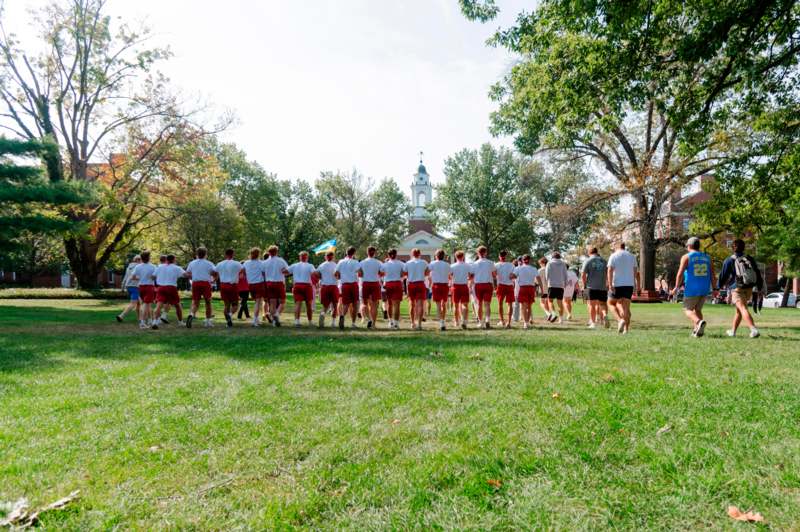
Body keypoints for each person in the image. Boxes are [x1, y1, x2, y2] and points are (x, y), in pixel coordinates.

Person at [671, 237, 717, 337]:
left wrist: (676, 287)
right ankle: (697, 331)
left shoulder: (686, 257)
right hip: (704, 288)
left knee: (687, 309)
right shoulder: (707, 257)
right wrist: (715, 289)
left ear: (690, 246)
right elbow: (713, 275)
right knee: (698, 310)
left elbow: (680, 274)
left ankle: (699, 322)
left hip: (692, 288)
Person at [718, 239, 762, 338]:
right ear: (744, 248)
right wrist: (759, 287)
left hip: (737, 288)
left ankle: (753, 329)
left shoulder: (729, 260)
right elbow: (757, 273)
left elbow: (723, 275)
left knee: (743, 308)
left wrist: (718, 287)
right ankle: (733, 331)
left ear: (733, 248)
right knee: (739, 310)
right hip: (749, 287)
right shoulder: (750, 258)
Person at [607, 241, 640, 334]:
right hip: (629, 284)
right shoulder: (632, 256)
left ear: (616, 246)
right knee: (626, 308)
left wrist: (609, 284)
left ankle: (619, 320)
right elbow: (635, 271)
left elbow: (610, 270)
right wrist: (634, 284)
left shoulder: (614, 256)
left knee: (610, 303)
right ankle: (626, 330)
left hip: (617, 284)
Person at [151, 254, 185, 329]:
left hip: (161, 287)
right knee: (177, 305)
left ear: (166, 259)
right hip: (171, 287)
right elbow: (185, 275)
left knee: (159, 305)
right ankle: (180, 322)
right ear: (173, 260)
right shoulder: (177, 268)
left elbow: (153, 277)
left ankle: (154, 322)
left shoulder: (159, 267)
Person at [185, 247, 216, 328]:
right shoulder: (209, 263)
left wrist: (193, 278)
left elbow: (187, 274)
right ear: (206, 254)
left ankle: (191, 314)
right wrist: (214, 280)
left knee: (195, 302)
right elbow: (214, 273)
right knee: (208, 302)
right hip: (205, 283)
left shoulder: (192, 263)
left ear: (197, 254)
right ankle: (208, 321)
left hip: (195, 283)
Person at [581, 246, 610, 329]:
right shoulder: (604, 261)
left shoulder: (588, 260)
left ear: (589, 253)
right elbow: (608, 273)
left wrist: (584, 285)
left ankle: (593, 323)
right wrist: (607, 283)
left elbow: (583, 274)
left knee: (591, 305)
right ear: (597, 252)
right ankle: (604, 315)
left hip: (591, 286)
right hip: (602, 287)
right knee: (603, 304)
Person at [216, 248, 243, 328]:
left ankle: (228, 322)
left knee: (226, 305)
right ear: (233, 254)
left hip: (223, 285)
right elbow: (243, 271)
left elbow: (214, 272)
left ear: (225, 254)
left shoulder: (220, 264)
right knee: (235, 305)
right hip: (233, 285)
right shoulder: (237, 264)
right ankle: (230, 315)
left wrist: (215, 278)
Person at [263, 245, 290, 327]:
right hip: (279, 283)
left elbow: (262, 273)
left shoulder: (264, 262)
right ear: (277, 252)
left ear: (269, 252)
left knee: (272, 303)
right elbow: (287, 271)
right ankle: (277, 314)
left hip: (269, 283)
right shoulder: (281, 261)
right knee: (282, 302)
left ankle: (274, 322)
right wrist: (283, 272)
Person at [335, 246, 361, 329]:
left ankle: (342, 316)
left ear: (346, 252)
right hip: (353, 284)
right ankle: (353, 323)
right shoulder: (355, 262)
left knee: (345, 304)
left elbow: (335, 273)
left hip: (344, 284)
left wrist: (339, 277)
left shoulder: (341, 262)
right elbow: (360, 273)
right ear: (354, 253)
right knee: (355, 304)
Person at [288, 251, 315, 327]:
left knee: (298, 304)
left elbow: (285, 271)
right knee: (308, 305)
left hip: (297, 285)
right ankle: (310, 321)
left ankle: (297, 321)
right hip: (307, 285)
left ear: (300, 257)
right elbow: (314, 274)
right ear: (307, 257)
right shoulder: (310, 265)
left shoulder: (294, 265)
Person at [511, 254, 539, 329]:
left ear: (522, 260)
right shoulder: (534, 268)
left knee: (523, 307)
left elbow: (512, 276)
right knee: (529, 306)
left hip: (523, 288)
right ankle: (527, 322)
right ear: (529, 260)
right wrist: (542, 289)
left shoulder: (518, 268)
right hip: (531, 288)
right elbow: (538, 279)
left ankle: (525, 323)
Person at [404, 248, 429, 330]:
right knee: (420, 305)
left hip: (411, 284)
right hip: (420, 283)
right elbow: (427, 273)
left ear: (412, 254)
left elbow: (405, 274)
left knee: (412, 304)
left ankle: (412, 323)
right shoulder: (424, 262)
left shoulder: (408, 263)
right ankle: (419, 324)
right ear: (420, 254)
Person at [130, 251, 157, 329]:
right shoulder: (153, 266)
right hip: (149, 287)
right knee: (145, 304)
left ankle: (149, 320)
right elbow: (154, 277)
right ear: (148, 258)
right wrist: (150, 277)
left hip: (141, 287)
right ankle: (142, 322)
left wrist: (141, 278)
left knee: (147, 304)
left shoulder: (138, 266)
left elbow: (132, 277)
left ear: (141, 258)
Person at [359, 246, 383, 329]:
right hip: (375, 283)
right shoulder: (379, 262)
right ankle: (373, 324)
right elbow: (381, 273)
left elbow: (359, 274)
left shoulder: (362, 262)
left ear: (367, 252)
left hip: (365, 283)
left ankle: (368, 319)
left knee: (364, 303)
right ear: (374, 253)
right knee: (374, 305)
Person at [380, 249, 405, 329]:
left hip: (388, 284)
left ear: (388, 255)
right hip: (397, 283)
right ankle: (396, 323)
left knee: (389, 304)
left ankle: (390, 322)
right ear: (396, 254)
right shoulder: (401, 264)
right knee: (397, 305)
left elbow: (380, 274)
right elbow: (403, 274)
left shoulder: (384, 264)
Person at [472, 245, 496, 329]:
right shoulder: (490, 262)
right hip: (488, 284)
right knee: (487, 304)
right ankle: (487, 320)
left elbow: (471, 275)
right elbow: (494, 274)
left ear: (478, 253)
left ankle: (480, 322)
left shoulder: (474, 263)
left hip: (478, 284)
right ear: (485, 253)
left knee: (479, 304)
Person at [428, 249, 451, 331]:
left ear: (436, 256)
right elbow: (450, 275)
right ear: (443, 256)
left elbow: (427, 272)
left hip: (436, 285)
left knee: (438, 305)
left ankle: (441, 322)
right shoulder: (447, 264)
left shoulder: (432, 263)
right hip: (444, 285)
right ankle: (443, 321)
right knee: (443, 304)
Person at [316, 251, 340, 328]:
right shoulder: (336, 265)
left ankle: (322, 314)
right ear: (332, 257)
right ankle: (333, 323)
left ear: (325, 257)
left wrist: (323, 277)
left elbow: (317, 275)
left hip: (324, 286)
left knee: (325, 306)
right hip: (333, 286)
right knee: (335, 305)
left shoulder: (321, 265)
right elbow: (338, 276)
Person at [243, 247, 266, 327]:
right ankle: (255, 320)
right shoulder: (261, 263)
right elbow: (264, 274)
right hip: (259, 284)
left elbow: (244, 273)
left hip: (250, 284)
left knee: (257, 302)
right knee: (258, 302)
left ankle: (257, 319)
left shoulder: (246, 263)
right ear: (258, 254)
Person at [450, 250, 472, 329]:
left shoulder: (452, 266)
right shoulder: (468, 265)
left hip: (455, 286)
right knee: (464, 305)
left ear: (456, 257)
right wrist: (468, 278)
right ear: (463, 257)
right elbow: (471, 275)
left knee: (455, 305)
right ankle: (464, 321)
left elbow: (450, 276)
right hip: (464, 286)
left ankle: (456, 321)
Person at [544, 252, 568, 323]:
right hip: (560, 285)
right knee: (560, 302)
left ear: (552, 257)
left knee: (550, 301)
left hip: (551, 285)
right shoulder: (563, 263)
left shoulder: (549, 263)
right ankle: (561, 319)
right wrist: (565, 284)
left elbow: (547, 274)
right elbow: (565, 275)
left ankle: (554, 314)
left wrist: (546, 282)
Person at [116, 254, 141, 322]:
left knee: (138, 303)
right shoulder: (139, 267)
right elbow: (138, 277)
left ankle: (139, 318)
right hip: (135, 287)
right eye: (140, 259)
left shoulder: (129, 267)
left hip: (128, 286)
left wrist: (123, 287)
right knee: (133, 304)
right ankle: (121, 316)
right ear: (139, 260)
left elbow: (125, 277)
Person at [495, 250, 515, 329]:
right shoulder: (511, 265)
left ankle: (502, 321)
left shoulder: (496, 265)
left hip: (501, 286)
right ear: (506, 256)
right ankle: (509, 322)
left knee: (500, 304)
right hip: (509, 285)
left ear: (499, 256)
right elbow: (513, 276)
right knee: (510, 304)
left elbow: (494, 275)